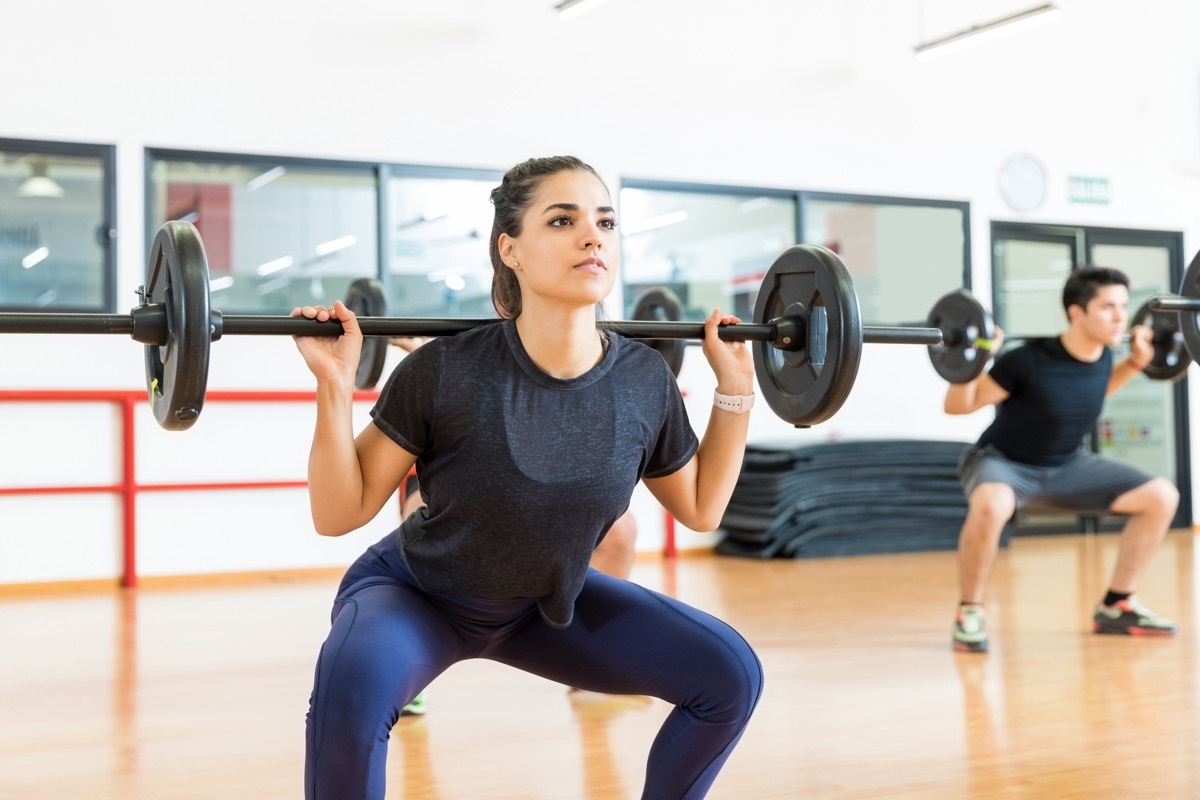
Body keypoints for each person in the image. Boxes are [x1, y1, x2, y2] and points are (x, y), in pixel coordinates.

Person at [292, 155, 763, 799]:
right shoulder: (444, 371)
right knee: (352, 680)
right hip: (418, 597)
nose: (592, 236)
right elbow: (337, 514)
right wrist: (335, 388)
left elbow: (703, 508)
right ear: (509, 249)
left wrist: (735, 390)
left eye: (605, 221)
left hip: (545, 608)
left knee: (729, 675)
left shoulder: (643, 380)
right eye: (563, 220)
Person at [944, 266, 1180, 653]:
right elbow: (959, 406)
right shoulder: (1026, 361)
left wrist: (1137, 362)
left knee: (1161, 496)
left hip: (1068, 466)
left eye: (1123, 306)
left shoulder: (1103, 356)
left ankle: (1116, 606)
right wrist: (968, 360)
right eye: (1108, 307)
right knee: (991, 503)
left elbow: (1098, 389)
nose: (1121, 317)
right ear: (1076, 312)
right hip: (1004, 463)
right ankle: (969, 611)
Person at [395, 466, 639, 716]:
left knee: (620, 531)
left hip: (547, 462)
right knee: (423, 520)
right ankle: (404, 670)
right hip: (448, 461)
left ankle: (590, 658)